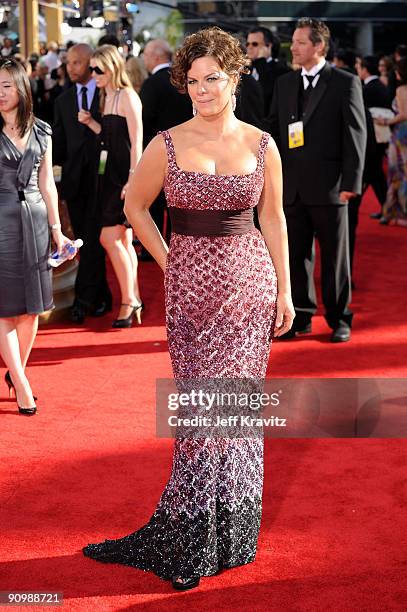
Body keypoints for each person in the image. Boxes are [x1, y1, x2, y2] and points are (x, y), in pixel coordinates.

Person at [83, 26, 294, 590]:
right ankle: (192, 535)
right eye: (193, 81)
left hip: (249, 285)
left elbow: (272, 218)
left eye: (212, 79)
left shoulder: (262, 144)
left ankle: (233, 532)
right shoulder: (167, 143)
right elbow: (134, 204)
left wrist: (286, 289)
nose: (202, 89)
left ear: (233, 77)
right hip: (193, 293)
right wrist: (170, 258)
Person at [266, 18, 366, 343]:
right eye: (293, 42)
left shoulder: (345, 82)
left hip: (331, 187)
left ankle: (339, 318)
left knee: (336, 258)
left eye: (299, 42)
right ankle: (301, 318)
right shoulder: (284, 84)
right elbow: (273, 130)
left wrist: (352, 182)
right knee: (296, 256)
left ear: (318, 46)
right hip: (291, 188)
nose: (292, 47)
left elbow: (355, 134)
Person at [0, 58, 72, 414]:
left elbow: (47, 185)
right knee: (4, 309)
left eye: (6, 86)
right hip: (0, 222)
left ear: (22, 89)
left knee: (32, 310)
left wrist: (58, 231)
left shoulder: (43, 131)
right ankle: (23, 383)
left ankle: (16, 373)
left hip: (36, 221)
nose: (0, 93)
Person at [78, 45, 143, 327]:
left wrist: (133, 179)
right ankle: (135, 296)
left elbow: (137, 141)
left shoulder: (128, 96)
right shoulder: (107, 96)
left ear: (113, 67)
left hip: (123, 178)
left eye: (98, 69)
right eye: (91, 69)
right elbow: (109, 137)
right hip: (107, 177)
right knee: (123, 241)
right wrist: (92, 122)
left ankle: (129, 301)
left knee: (109, 238)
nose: (94, 75)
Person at [53, 43, 112, 324]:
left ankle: (83, 300)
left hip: (102, 180)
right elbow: (60, 146)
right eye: (68, 62)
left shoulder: (106, 95)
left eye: (77, 62)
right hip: (75, 183)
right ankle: (102, 295)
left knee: (94, 240)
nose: (70, 67)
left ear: (91, 63)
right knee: (86, 241)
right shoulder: (62, 101)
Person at [140, 39, 192, 247]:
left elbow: (145, 119)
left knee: (153, 200)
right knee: (179, 203)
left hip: (159, 151)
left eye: (145, 55)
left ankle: (151, 246)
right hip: (189, 150)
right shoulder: (183, 80)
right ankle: (176, 242)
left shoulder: (152, 83)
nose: (143, 59)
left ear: (155, 56)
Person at [375, 57, 407, 226]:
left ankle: (395, 212)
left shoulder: (402, 89)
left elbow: (403, 114)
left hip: (402, 134)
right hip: (402, 134)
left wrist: (385, 121)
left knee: (397, 173)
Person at [246, 26, 290, 115]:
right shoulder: (246, 69)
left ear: (268, 46)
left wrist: (261, 61)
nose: (249, 47)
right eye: (247, 44)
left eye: (255, 44)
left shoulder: (281, 70)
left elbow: (267, 95)